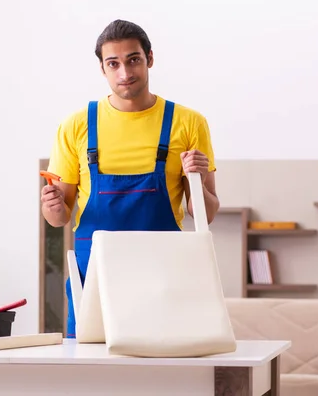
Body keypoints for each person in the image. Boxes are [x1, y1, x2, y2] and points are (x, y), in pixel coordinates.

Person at [40, 19, 219, 338]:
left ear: (150, 58)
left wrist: (198, 178)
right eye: (114, 63)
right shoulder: (76, 125)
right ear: (102, 69)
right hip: (94, 276)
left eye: (133, 59)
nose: (125, 72)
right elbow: (59, 218)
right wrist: (52, 205)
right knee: (90, 371)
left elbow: (206, 212)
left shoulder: (189, 123)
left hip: (162, 277)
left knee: (161, 368)